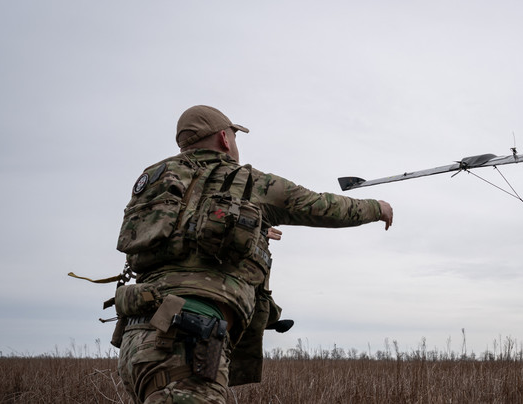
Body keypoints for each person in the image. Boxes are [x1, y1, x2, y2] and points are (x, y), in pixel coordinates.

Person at [114, 105, 393, 403]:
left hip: (136, 337)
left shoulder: (158, 179)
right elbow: (322, 206)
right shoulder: (248, 182)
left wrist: (254, 231)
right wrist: (377, 208)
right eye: (234, 136)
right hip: (187, 339)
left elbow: (185, 237)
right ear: (224, 138)